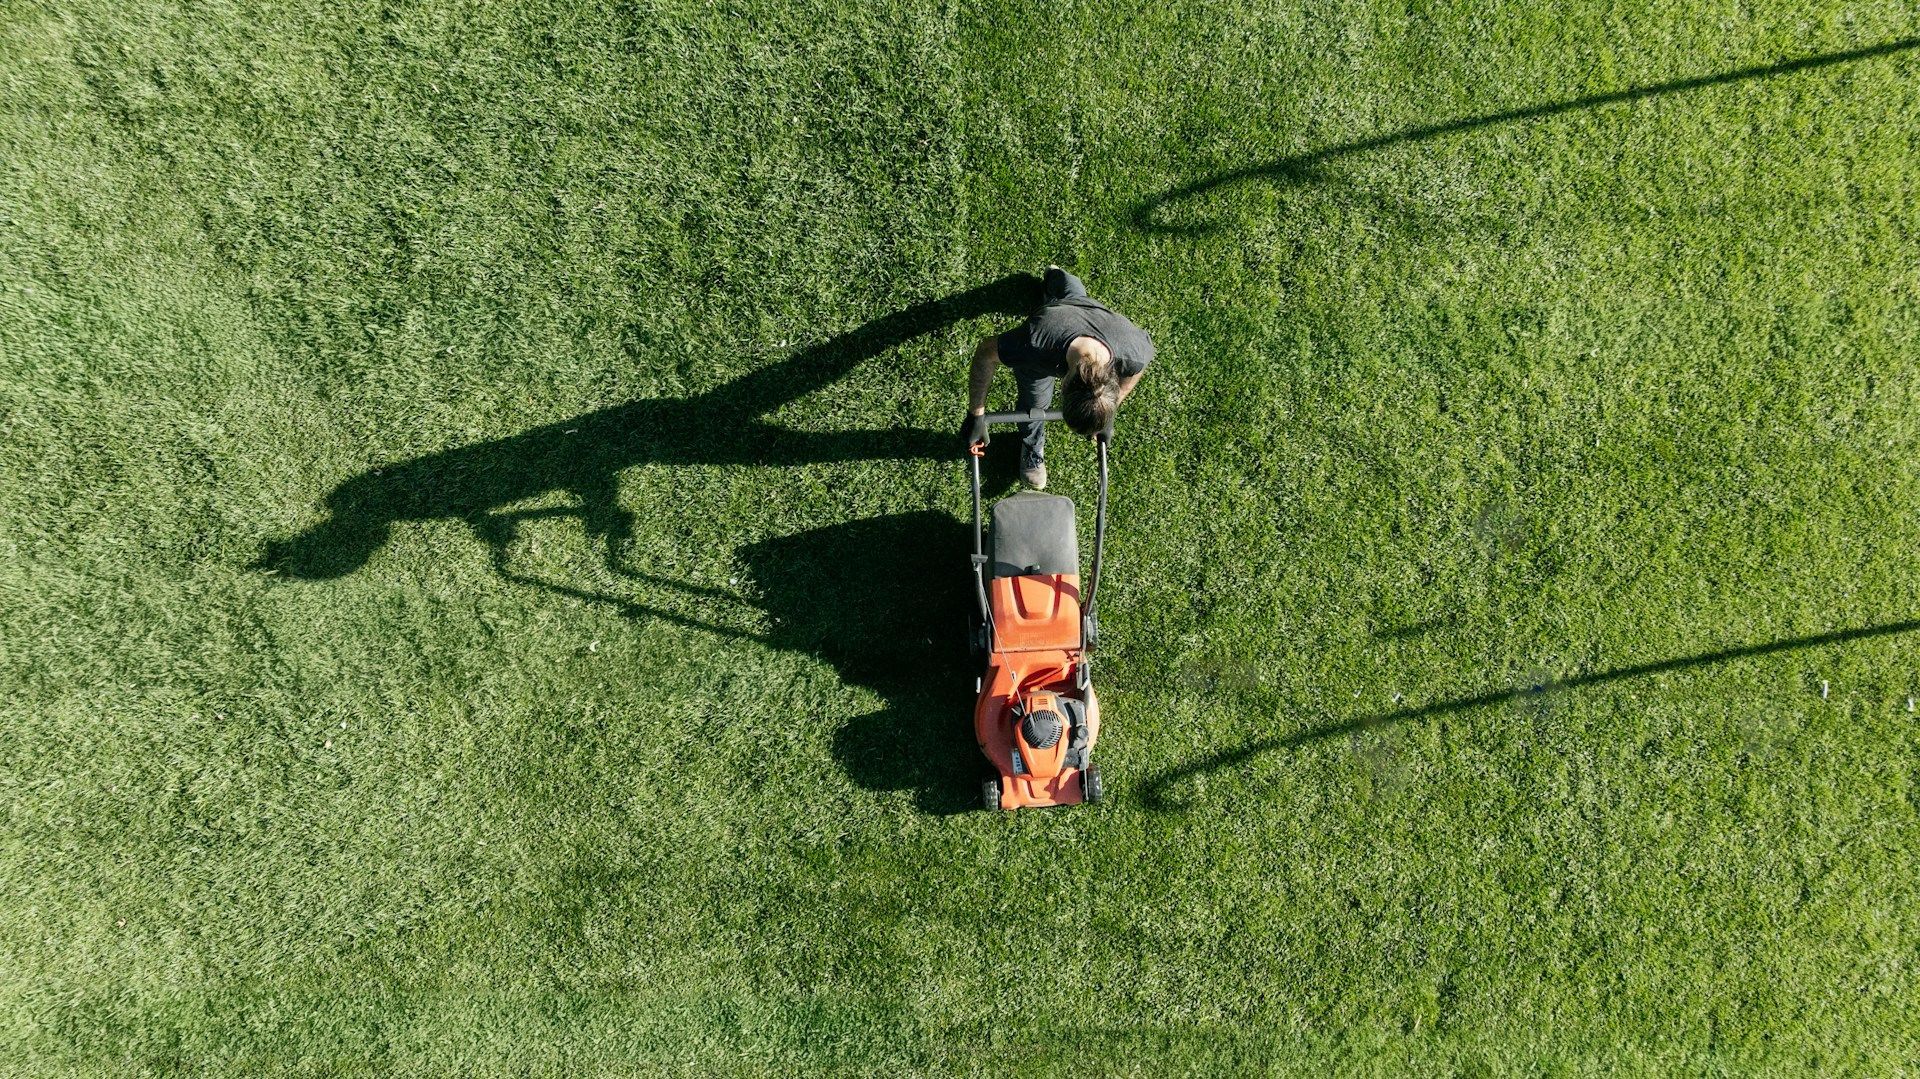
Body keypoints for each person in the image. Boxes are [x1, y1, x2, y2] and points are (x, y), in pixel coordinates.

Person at [961, 265, 1153, 488]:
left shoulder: (1133, 352)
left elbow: (1135, 372)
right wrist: (976, 415)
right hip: (1052, 337)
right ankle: (1032, 445)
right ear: (1063, 384)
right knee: (1035, 404)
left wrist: (1107, 412)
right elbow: (985, 352)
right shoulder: (1036, 342)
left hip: (1088, 313)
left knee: (1072, 290)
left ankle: (1057, 275)